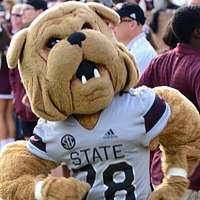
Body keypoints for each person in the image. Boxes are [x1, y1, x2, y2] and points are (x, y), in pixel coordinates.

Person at [136, 6, 200, 200]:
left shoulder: (160, 62)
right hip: (193, 179)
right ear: (198, 32)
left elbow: (135, 104)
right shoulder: (197, 66)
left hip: (161, 171)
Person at [9, 0, 47, 140]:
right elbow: (12, 71)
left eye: (27, 9)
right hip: (24, 108)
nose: (22, 13)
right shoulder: (20, 36)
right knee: (29, 152)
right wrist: (17, 97)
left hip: (44, 109)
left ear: (40, 12)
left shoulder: (48, 36)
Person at [112, 2, 157, 76]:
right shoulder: (135, 48)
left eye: (116, 21)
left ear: (132, 24)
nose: (111, 26)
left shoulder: (140, 52)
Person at [0, 6, 16, 150]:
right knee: (9, 116)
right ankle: (10, 144)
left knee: (0, 116)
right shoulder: (9, 41)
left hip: (1, 85)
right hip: (10, 85)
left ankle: (3, 148)